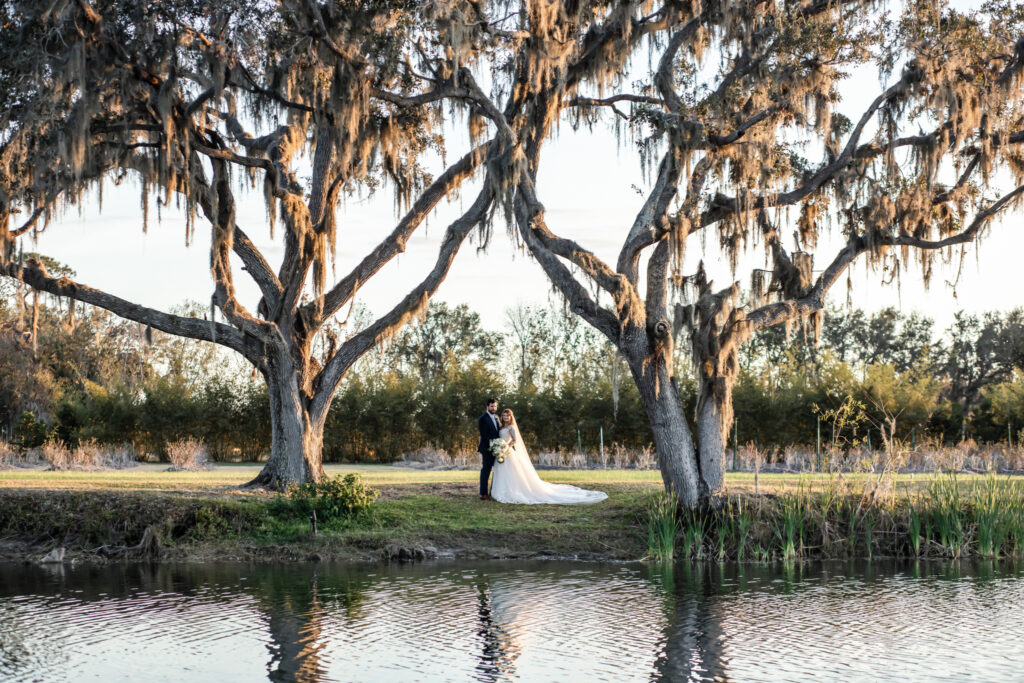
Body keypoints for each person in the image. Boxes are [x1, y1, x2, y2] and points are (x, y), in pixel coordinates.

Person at [490, 408, 607, 505]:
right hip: (501, 453)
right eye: (504, 415)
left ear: (511, 417)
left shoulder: (511, 428)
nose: (506, 417)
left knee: (511, 474)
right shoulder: (501, 427)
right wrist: (500, 449)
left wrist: (506, 448)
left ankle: (511, 492)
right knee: (501, 472)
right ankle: (498, 492)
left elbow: (514, 441)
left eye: (508, 416)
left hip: (508, 452)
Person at [477, 397, 501, 500]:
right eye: (492, 406)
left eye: (495, 406)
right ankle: (483, 493)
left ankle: (493, 492)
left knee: (498, 471)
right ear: (487, 407)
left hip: (497, 449)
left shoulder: (496, 417)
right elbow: (484, 435)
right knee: (486, 470)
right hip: (487, 448)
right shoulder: (483, 418)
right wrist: (493, 445)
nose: (494, 408)